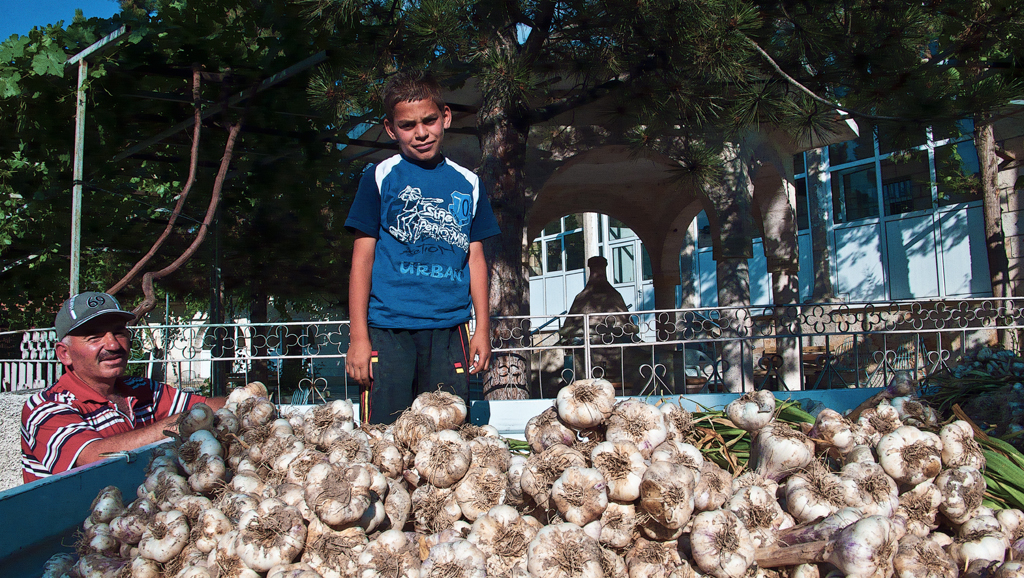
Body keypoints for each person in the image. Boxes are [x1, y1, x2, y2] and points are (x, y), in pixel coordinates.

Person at [344, 69, 501, 424]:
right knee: (386, 436)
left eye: (429, 120)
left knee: (447, 437)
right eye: (407, 125)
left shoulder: (470, 183)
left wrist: (482, 329)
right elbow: (362, 260)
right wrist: (358, 337)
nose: (420, 133)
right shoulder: (379, 176)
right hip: (388, 329)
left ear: (445, 118)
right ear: (390, 128)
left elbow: (475, 259)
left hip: (449, 331)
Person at [21, 291, 225, 483]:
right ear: (64, 353)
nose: (113, 345)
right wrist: (182, 423)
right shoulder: (45, 407)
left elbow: (209, 405)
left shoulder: (142, 389)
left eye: (119, 333)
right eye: (94, 337)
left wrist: (250, 396)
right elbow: (94, 458)